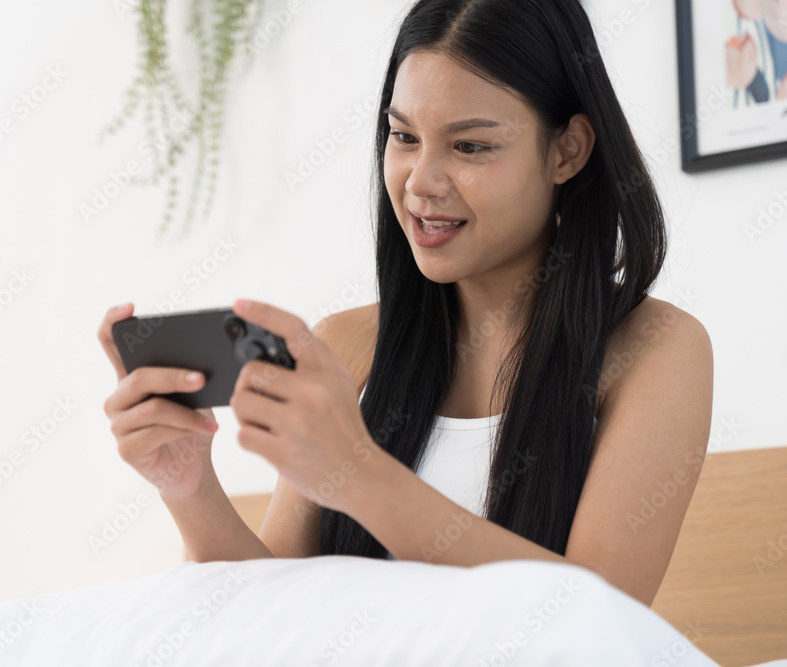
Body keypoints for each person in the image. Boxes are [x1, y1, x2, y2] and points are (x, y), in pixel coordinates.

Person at [98, 0, 713, 608]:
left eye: (470, 146)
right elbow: (275, 617)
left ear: (567, 151)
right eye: (404, 137)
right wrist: (188, 486)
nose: (420, 182)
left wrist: (359, 472)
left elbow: (598, 620)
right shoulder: (345, 345)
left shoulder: (657, 350)